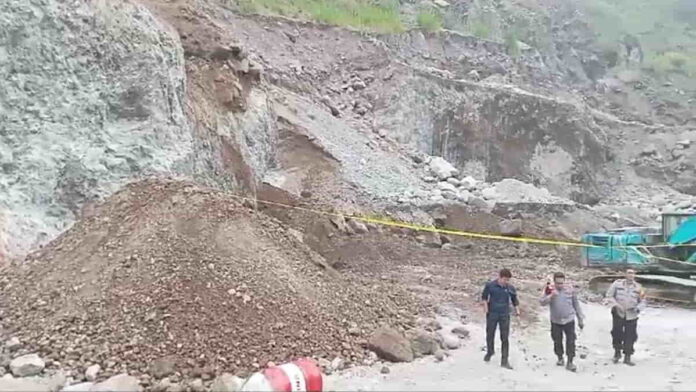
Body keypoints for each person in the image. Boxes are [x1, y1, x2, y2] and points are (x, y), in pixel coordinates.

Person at [539, 272, 585, 372]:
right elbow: (541, 302)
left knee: (571, 341)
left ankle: (570, 361)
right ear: (554, 282)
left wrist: (580, 318)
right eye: (558, 283)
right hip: (555, 321)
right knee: (557, 340)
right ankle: (560, 357)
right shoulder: (549, 290)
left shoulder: (570, 290)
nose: (560, 285)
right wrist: (551, 296)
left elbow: (576, 304)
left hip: (569, 319)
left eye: (561, 283)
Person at [605, 268, 646, 366]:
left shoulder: (639, 287)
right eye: (629, 273)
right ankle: (617, 353)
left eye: (633, 273)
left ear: (635, 275)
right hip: (618, 313)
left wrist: (638, 308)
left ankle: (628, 356)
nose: (631, 275)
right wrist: (616, 305)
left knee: (630, 336)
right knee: (616, 333)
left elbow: (643, 301)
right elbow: (609, 295)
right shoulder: (617, 284)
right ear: (625, 274)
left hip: (631, 315)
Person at [481, 268, 520, 369]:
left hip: (504, 314)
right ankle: (490, 352)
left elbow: (515, 300)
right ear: (500, 277)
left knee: (505, 338)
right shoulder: (490, 285)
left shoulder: (510, 288)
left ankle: (504, 360)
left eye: (508, 280)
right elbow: (484, 297)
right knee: (490, 334)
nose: (506, 282)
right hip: (492, 313)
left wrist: (517, 311)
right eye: (505, 279)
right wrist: (486, 308)